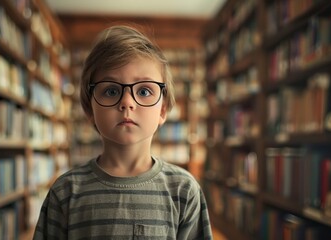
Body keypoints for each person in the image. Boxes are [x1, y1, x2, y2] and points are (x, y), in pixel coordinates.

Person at [33, 25, 213, 240]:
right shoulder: (65, 192)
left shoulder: (184, 190)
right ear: (90, 109)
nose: (127, 102)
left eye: (144, 91)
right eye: (111, 91)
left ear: (162, 110)